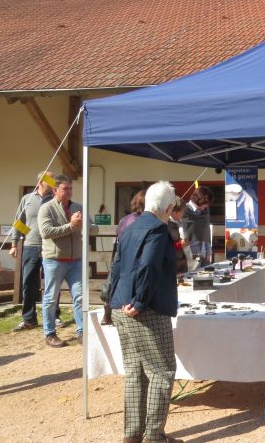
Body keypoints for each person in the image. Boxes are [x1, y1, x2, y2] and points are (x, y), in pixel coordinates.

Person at [109, 180, 182, 443]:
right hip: (145, 309)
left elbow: (116, 265)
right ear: (169, 207)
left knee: (135, 372)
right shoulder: (158, 230)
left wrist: (111, 301)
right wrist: (139, 302)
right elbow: (149, 267)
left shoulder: (128, 225)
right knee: (162, 372)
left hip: (121, 305)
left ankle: (132, 433)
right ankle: (153, 435)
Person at [38, 174, 91, 347]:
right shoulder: (46, 208)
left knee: (80, 296)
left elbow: (94, 229)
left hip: (75, 260)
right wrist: (71, 226)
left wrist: (84, 225)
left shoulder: (78, 207)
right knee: (51, 298)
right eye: (65, 189)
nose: (69, 192)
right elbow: (46, 232)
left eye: (70, 188)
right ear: (55, 190)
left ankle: (82, 331)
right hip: (54, 260)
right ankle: (50, 333)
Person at [10, 171, 56, 332]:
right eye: (50, 179)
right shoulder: (27, 199)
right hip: (30, 246)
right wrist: (14, 244)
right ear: (41, 182)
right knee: (28, 283)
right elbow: (20, 222)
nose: (53, 181)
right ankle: (29, 319)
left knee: (51, 283)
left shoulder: (55, 199)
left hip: (50, 247)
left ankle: (54, 317)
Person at [102, 190, 146, 325]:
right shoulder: (140, 221)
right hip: (131, 257)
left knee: (114, 282)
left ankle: (108, 314)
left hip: (119, 254)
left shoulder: (124, 219)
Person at [183, 185, 214, 264]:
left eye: (208, 204)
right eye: (205, 203)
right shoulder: (184, 211)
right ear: (197, 200)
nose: (206, 206)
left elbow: (206, 230)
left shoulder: (205, 211)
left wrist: (209, 251)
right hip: (189, 255)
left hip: (204, 253)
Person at [167, 197, 188, 274]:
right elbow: (166, 247)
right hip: (172, 265)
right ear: (175, 212)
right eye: (182, 212)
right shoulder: (166, 224)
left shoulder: (178, 222)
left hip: (180, 263)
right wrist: (180, 244)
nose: (183, 215)